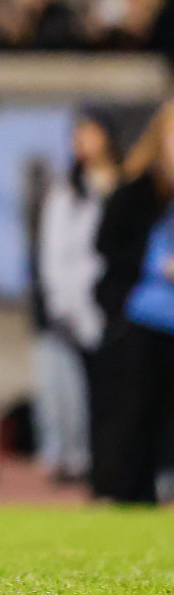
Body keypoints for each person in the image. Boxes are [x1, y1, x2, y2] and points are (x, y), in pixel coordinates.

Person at [33, 109, 122, 485]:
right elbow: (52, 253)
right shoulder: (65, 190)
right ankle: (74, 461)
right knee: (67, 396)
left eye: (90, 133)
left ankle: (116, 464)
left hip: (119, 304)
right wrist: (60, 304)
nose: (83, 143)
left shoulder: (126, 184)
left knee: (117, 395)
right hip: (73, 308)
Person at [92, 100, 174, 503]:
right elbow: (107, 246)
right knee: (136, 422)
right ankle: (129, 496)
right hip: (142, 322)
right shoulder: (135, 192)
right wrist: (156, 264)